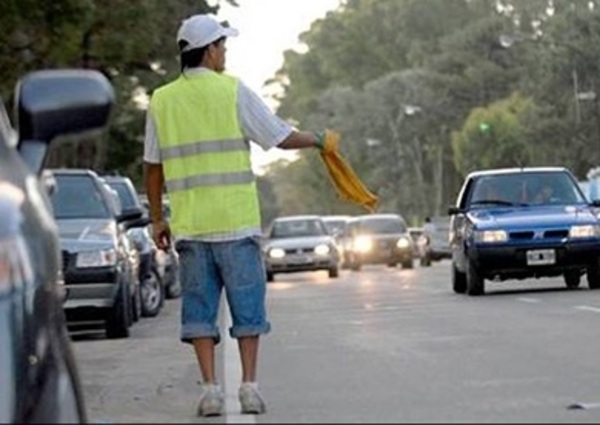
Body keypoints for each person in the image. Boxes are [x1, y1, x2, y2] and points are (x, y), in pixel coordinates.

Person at [143, 13, 336, 417]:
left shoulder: (161, 100)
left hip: (192, 229)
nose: (225, 53)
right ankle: (249, 387)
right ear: (210, 50)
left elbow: (153, 167)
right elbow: (278, 136)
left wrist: (158, 219)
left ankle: (211, 391)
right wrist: (319, 140)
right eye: (223, 46)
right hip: (235, 224)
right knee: (249, 309)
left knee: (199, 311)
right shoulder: (232, 92)